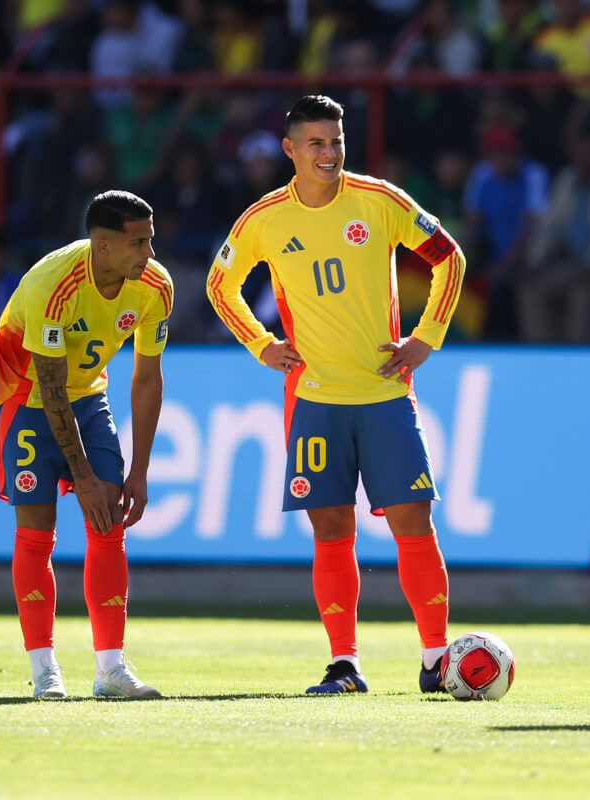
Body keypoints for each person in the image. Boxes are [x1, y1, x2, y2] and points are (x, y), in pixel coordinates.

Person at [206, 95, 466, 696]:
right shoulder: (264, 219)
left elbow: (448, 257)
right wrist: (260, 342)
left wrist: (427, 336)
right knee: (329, 527)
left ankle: (435, 659)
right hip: (315, 398)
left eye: (337, 141)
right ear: (290, 150)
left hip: (384, 394)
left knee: (412, 520)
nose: (329, 154)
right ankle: (344, 663)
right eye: (317, 143)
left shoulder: (380, 202)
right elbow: (221, 284)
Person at [0, 190, 172, 699]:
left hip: (90, 399)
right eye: (138, 243)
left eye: (151, 240)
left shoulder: (155, 287)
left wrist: (138, 472)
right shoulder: (54, 284)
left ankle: (111, 670)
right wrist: (85, 479)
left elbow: (147, 379)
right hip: (25, 398)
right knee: (35, 532)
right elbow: (49, 389)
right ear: (102, 245)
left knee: (109, 522)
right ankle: (44, 669)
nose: (150, 254)